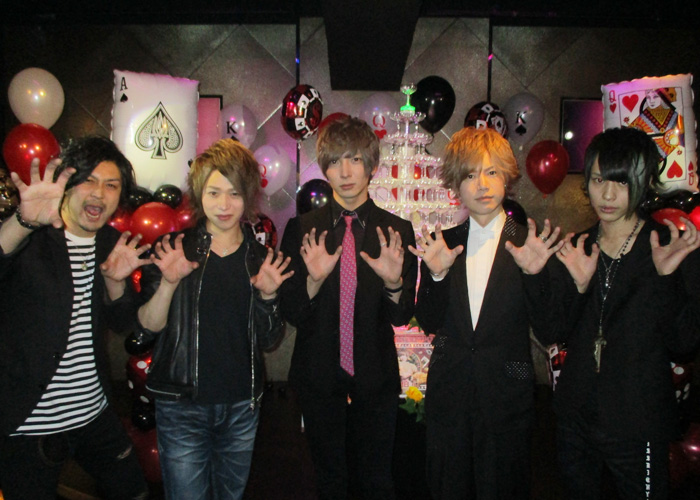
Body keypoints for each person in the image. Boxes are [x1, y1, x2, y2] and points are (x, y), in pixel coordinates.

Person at [510, 127, 700, 499]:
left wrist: (665, 279)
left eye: (622, 182)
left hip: (639, 420)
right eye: (599, 180)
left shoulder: (669, 247)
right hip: (576, 417)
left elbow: (684, 343)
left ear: (645, 182)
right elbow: (551, 331)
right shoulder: (578, 246)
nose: (608, 195)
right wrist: (535, 275)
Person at [409, 126, 561, 499]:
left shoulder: (528, 243)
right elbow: (428, 321)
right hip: (450, 395)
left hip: (507, 398)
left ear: (507, 178)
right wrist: (436, 275)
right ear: (454, 186)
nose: (482, 185)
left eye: (492, 172)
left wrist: (535, 276)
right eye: (470, 175)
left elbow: (550, 329)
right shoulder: (443, 243)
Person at [136, 138, 292, 500]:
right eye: (213, 192)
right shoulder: (173, 249)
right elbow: (147, 326)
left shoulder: (260, 257)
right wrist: (169, 284)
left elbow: (269, 340)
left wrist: (269, 297)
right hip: (182, 406)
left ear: (248, 195)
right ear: (198, 194)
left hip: (241, 408)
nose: (224, 205)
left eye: (234, 194)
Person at [0, 136, 150, 500]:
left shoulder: (111, 242)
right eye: (89, 181)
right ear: (67, 184)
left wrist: (115, 284)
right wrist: (22, 221)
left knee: (133, 491)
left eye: (111, 185)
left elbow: (122, 322)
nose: (99, 193)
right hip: (30, 424)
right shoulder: (32, 233)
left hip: (92, 412)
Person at [279, 116, 418, 500]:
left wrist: (393, 283)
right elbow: (292, 312)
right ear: (324, 167)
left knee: (377, 480)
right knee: (329, 480)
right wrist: (313, 281)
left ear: (371, 165)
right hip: (319, 376)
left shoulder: (396, 231)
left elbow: (401, 315)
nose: (345, 172)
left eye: (355, 159)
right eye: (336, 161)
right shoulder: (302, 229)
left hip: (375, 377)